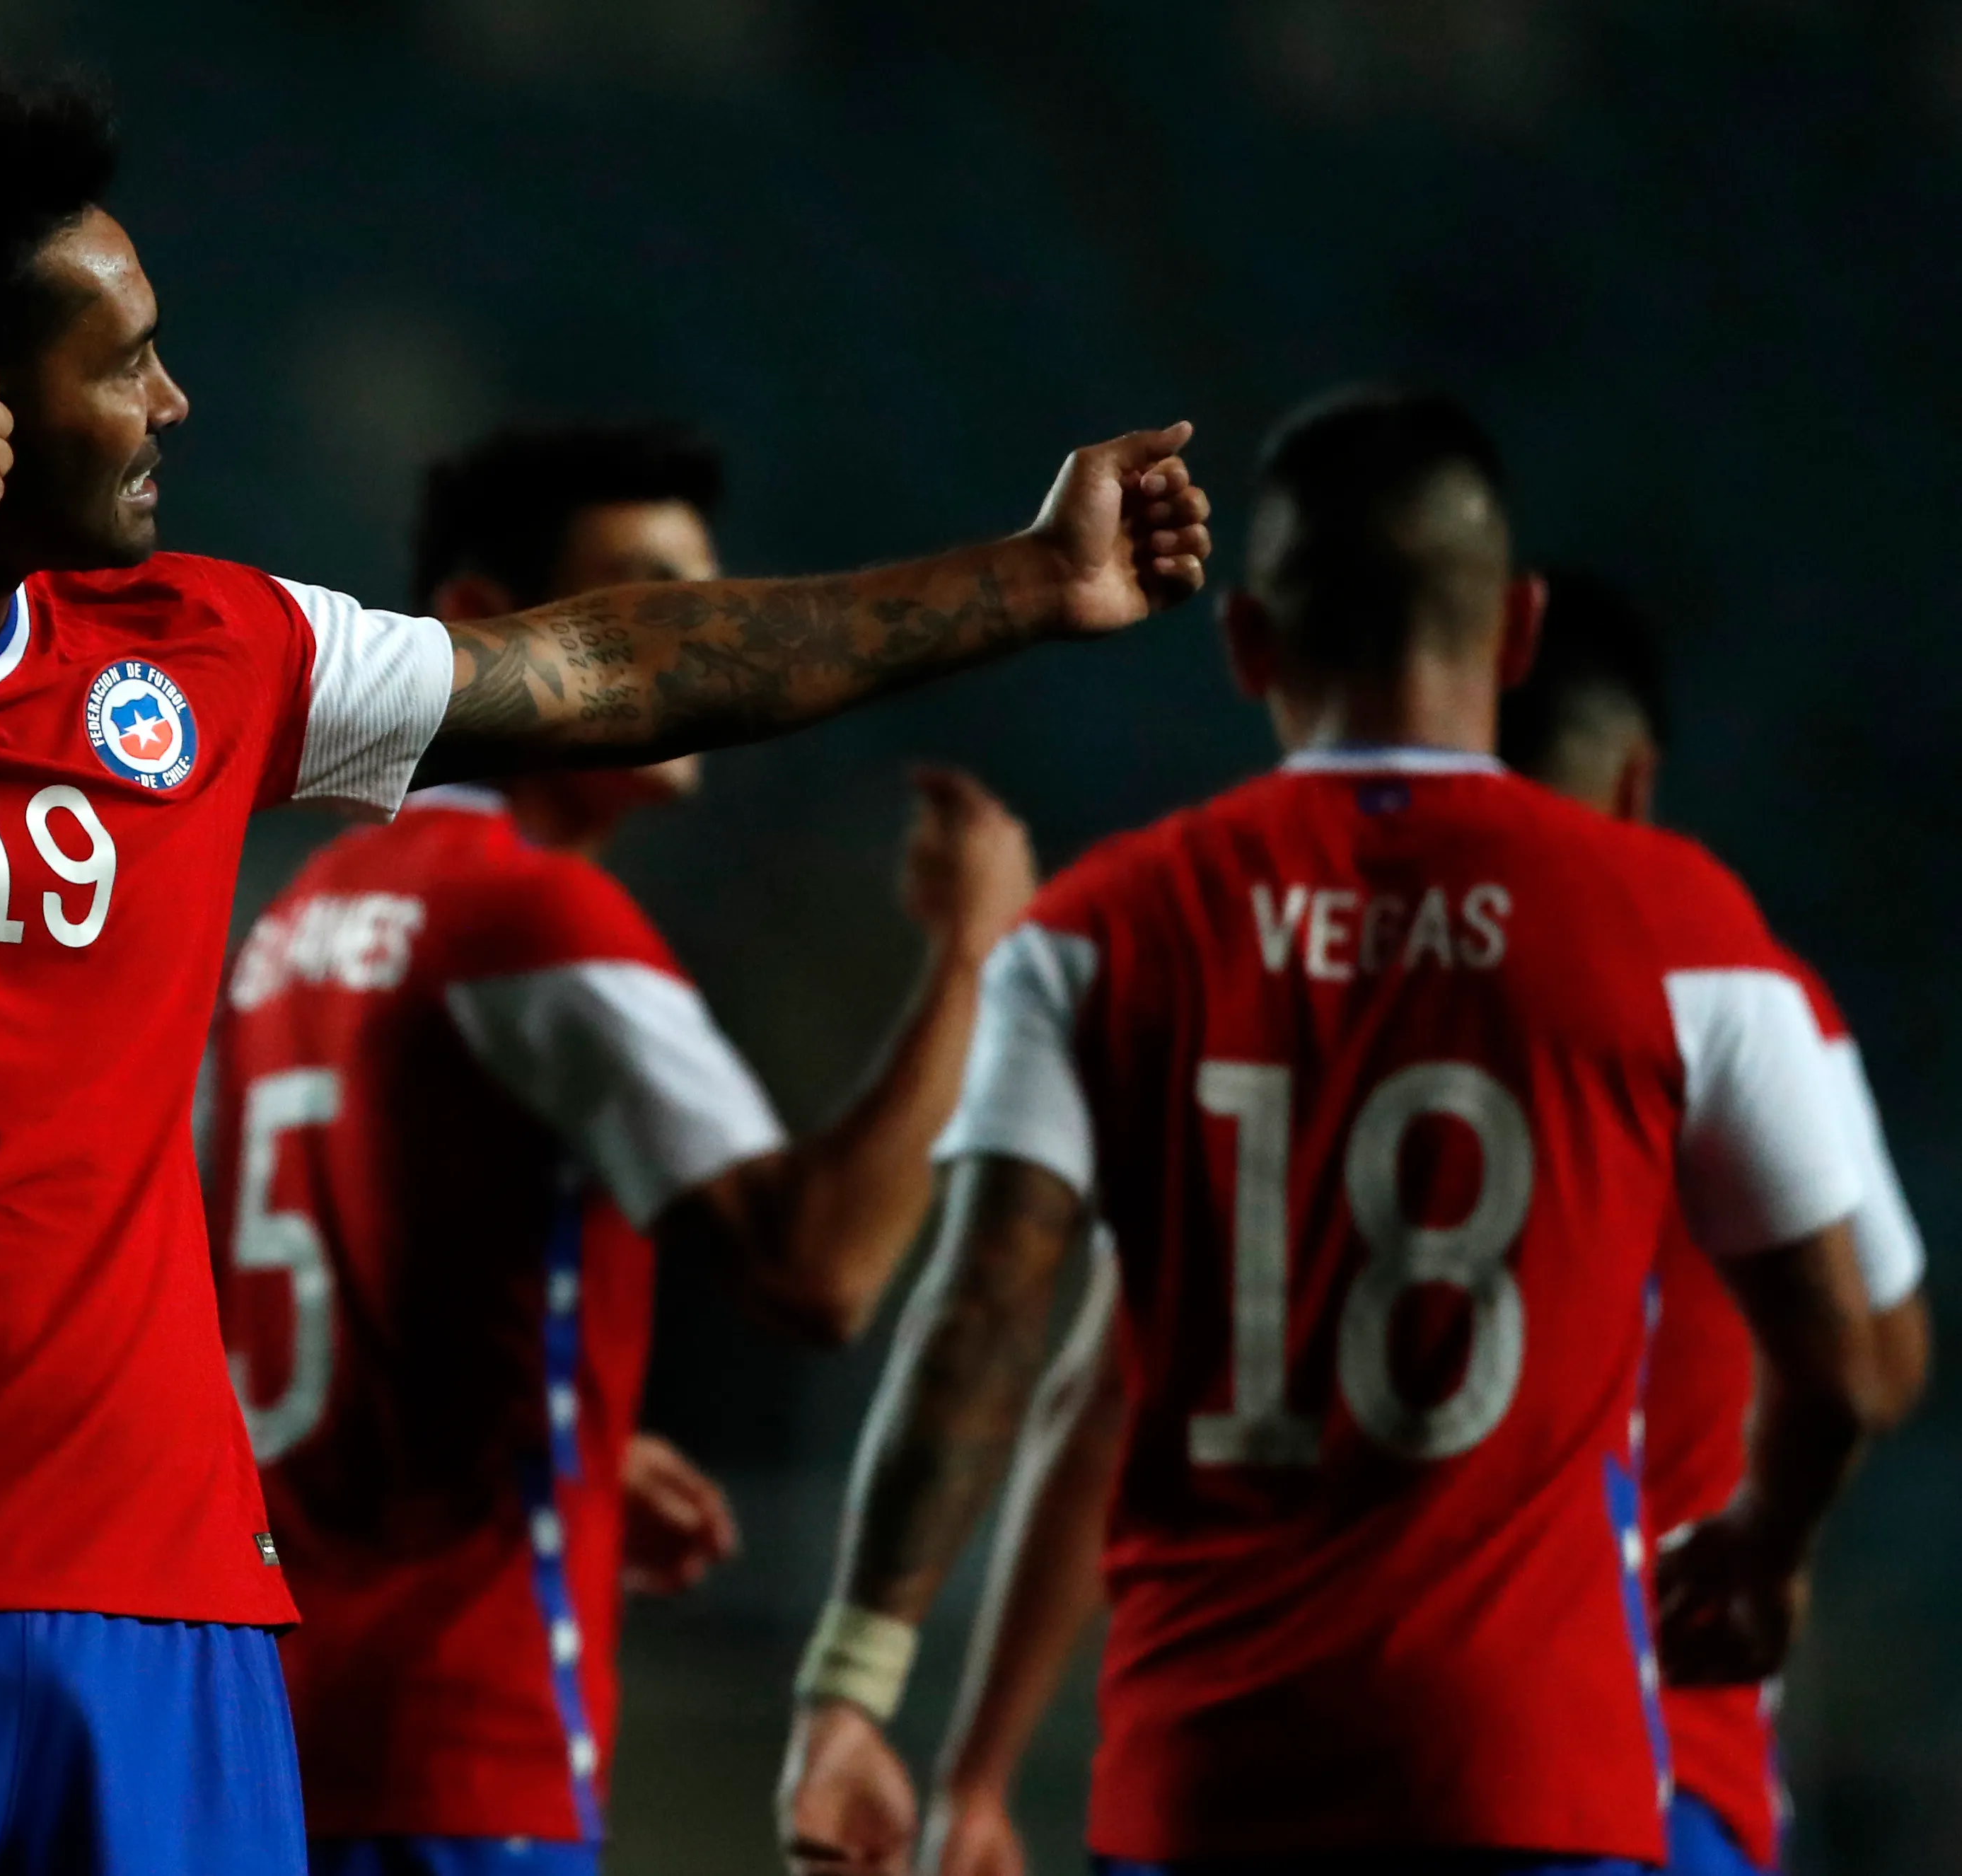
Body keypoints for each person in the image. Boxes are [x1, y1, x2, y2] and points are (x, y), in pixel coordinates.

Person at [0, 69, 1212, 1876]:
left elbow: (615, 669)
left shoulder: (216, 648)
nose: (173, 394)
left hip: (169, 1615)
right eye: (123, 357)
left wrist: (1028, 584)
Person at [774, 386, 1893, 1876]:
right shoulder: (1677, 931)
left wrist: (856, 1688)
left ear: (1247, 645)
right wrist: (1764, 1539)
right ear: (1513, 633)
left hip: (1210, 1786)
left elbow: (982, 1320)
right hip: (1530, 1783)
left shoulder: (1098, 933)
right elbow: (1841, 1359)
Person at [207, 422, 1037, 1876]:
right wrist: (974, 960)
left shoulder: (288, 928)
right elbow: (821, 1268)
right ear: (476, 626)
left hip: (259, 1733)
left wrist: (579, 1441)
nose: (705, 645)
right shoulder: (534, 916)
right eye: (650, 599)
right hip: (465, 1749)